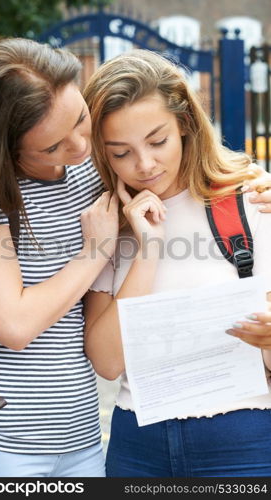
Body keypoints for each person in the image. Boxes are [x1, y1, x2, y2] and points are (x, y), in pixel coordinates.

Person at [83, 49, 271, 477]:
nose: (144, 165)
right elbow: (108, 363)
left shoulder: (251, 200)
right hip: (138, 445)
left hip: (243, 440)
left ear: (185, 123)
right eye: (120, 152)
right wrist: (147, 249)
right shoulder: (108, 220)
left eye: (157, 141)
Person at [0, 37, 119, 477]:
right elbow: (16, 325)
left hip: (84, 437)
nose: (80, 147)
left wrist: (251, 185)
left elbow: (183, 172)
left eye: (80, 118)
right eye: (51, 147)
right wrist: (94, 251)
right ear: (5, 147)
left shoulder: (97, 163)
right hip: (0, 443)